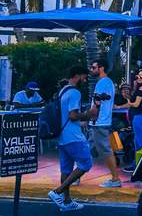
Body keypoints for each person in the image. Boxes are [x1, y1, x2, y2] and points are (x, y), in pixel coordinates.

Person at [48, 66, 97, 212]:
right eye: (84, 76)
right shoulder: (75, 92)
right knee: (86, 163)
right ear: (77, 75)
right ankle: (57, 192)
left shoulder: (63, 91)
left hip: (62, 137)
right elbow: (73, 115)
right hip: (73, 137)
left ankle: (66, 201)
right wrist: (89, 113)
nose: (85, 79)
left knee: (66, 169)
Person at [88, 59, 121, 188]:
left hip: (99, 122)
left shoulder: (103, 82)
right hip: (99, 121)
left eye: (94, 67)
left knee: (106, 150)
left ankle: (115, 178)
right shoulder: (108, 82)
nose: (92, 69)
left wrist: (91, 118)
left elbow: (97, 102)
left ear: (101, 68)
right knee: (87, 149)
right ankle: (76, 176)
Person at [116, 69, 142, 173]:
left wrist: (129, 101)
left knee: (140, 142)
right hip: (139, 117)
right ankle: (137, 163)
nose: (139, 76)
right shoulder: (141, 87)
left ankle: (140, 165)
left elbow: (136, 104)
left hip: (139, 117)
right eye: (139, 74)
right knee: (137, 141)